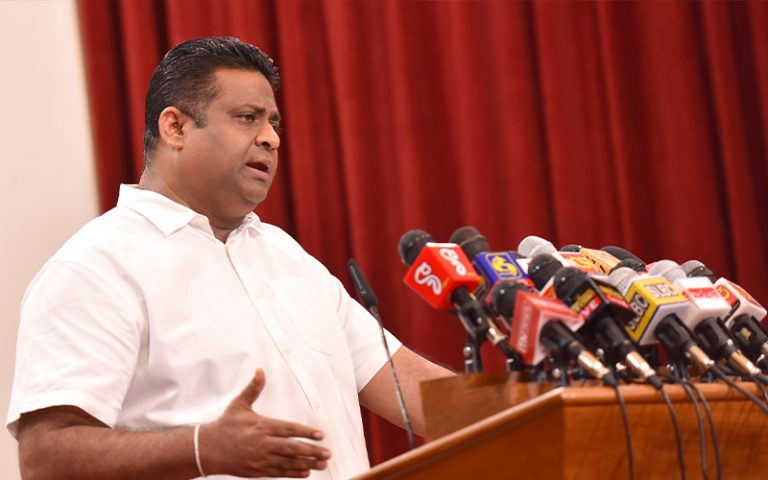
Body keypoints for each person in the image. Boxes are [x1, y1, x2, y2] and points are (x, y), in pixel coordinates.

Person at [7, 36, 452, 479]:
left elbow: (408, 386)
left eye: (274, 123)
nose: (271, 138)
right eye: (247, 118)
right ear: (175, 128)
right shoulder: (96, 267)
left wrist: (498, 402)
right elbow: (45, 458)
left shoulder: (287, 257)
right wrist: (200, 449)